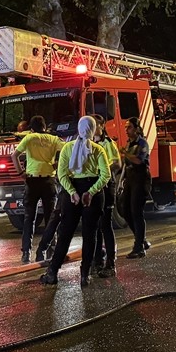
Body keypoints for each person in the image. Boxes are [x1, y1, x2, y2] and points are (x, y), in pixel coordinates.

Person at [40, 116, 110, 288]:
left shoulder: (67, 148)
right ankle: (85, 275)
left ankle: (52, 273)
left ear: (79, 129)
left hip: (71, 194)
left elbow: (61, 175)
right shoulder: (98, 150)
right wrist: (91, 192)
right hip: (92, 194)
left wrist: (72, 192)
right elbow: (105, 175)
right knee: (90, 235)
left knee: (65, 234)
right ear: (93, 129)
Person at [11, 115, 63, 264]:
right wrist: (57, 165)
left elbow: (14, 155)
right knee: (50, 218)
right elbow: (67, 151)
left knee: (29, 218)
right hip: (48, 181)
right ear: (45, 127)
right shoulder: (53, 139)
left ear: (32, 129)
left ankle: (26, 252)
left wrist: (21, 173)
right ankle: (49, 249)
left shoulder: (29, 138)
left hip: (32, 180)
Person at [91, 114, 123, 277]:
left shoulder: (107, 143)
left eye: (95, 124)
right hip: (92, 187)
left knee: (105, 224)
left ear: (102, 126)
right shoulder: (88, 143)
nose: (92, 127)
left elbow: (117, 163)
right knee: (94, 226)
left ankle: (110, 263)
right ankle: (96, 261)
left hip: (105, 186)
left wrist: (103, 170)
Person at [119, 117, 153, 258]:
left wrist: (125, 154)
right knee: (125, 210)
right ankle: (141, 239)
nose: (126, 130)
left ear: (137, 129)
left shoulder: (142, 143)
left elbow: (139, 160)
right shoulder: (129, 143)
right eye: (126, 127)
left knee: (136, 212)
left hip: (140, 179)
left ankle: (138, 247)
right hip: (130, 179)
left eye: (129, 127)